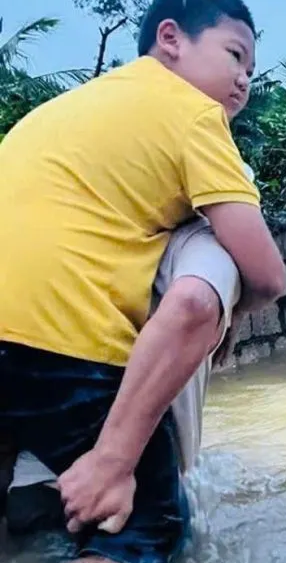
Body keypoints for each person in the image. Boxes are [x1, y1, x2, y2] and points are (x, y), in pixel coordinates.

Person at [0, 0, 286, 563]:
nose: (244, 80)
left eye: (251, 69)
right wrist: (230, 321)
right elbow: (265, 271)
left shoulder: (63, 111)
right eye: (235, 54)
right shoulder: (192, 114)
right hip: (58, 349)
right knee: (152, 538)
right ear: (170, 39)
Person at [4, 214, 243, 537]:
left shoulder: (86, 232)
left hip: (31, 489)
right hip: (121, 484)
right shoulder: (203, 246)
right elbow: (197, 304)